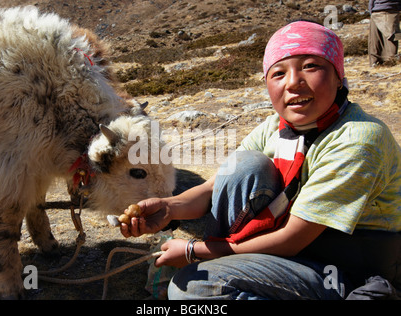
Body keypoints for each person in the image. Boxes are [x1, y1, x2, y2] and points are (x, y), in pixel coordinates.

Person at [121, 20, 401, 300]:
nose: (293, 82)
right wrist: (168, 209)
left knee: (196, 289)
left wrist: (195, 252)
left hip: (344, 270)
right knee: (245, 165)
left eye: (311, 66)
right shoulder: (275, 127)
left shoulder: (359, 139)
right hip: (296, 252)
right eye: (279, 73)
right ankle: (225, 265)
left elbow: (292, 239)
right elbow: (213, 189)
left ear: (339, 75)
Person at [368, 0, 401, 66]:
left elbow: (371, 2)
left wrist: (371, 11)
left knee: (375, 39)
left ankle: (375, 62)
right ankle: (390, 60)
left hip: (378, 10)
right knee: (391, 37)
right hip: (392, 10)